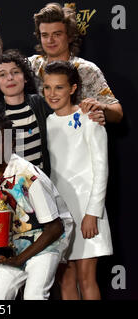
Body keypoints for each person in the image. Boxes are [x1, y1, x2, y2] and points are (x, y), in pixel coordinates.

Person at [0, 112, 73, 300]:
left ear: (11, 143)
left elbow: (54, 227)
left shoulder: (28, 175)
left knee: (34, 295)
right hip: (16, 243)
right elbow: (0, 214)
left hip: (47, 241)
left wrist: (20, 259)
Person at [43, 60, 113, 299]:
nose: (52, 94)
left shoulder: (90, 118)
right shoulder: (47, 122)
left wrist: (92, 213)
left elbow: (101, 168)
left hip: (87, 209)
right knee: (66, 280)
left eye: (59, 87)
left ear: (73, 88)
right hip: (60, 212)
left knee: (86, 277)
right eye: (47, 88)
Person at [30, 2, 123, 123]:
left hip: (75, 138)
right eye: (44, 35)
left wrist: (100, 107)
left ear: (69, 36)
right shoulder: (31, 65)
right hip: (39, 140)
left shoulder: (86, 70)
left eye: (57, 34)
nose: (50, 40)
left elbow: (117, 113)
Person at [0, 49, 53, 177]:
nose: (10, 78)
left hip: (41, 181)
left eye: (15, 72)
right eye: (2, 75)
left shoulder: (38, 103)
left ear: (26, 77)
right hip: (10, 185)